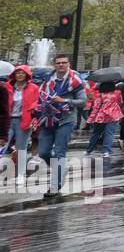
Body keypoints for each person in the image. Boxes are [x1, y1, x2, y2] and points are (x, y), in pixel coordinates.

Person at [36, 53, 87, 198]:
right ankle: (60, 169)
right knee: (43, 152)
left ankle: (54, 186)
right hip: (47, 119)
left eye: (64, 62)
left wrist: (65, 100)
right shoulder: (47, 80)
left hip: (65, 120)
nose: (61, 65)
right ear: (54, 65)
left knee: (59, 153)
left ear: (69, 64)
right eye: (58, 63)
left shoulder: (75, 82)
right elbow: (39, 96)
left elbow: (83, 102)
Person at [3, 65, 40, 185]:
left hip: (24, 121)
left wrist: (33, 115)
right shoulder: (7, 87)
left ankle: (21, 174)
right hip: (7, 120)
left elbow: (37, 103)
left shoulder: (33, 88)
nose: (19, 75)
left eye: (22, 73)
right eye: (17, 72)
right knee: (2, 144)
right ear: (14, 74)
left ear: (27, 75)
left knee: (21, 148)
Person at [86, 81, 124, 159]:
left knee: (96, 133)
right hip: (113, 116)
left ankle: (89, 150)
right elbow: (121, 103)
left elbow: (96, 108)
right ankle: (106, 151)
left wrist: (90, 119)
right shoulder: (117, 94)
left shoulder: (99, 95)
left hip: (101, 117)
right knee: (109, 134)